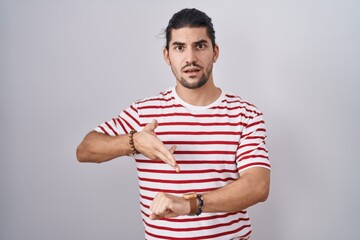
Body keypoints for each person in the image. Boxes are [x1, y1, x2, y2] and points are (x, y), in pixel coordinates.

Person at [76, 8, 271, 240]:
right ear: (167, 55)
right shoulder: (144, 112)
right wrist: (134, 142)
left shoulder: (245, 114)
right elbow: (85, 150)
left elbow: (258, 186)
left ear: (215, 52)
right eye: (180, 47)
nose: (190, 58)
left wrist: (189, 204)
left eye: (200, 46)